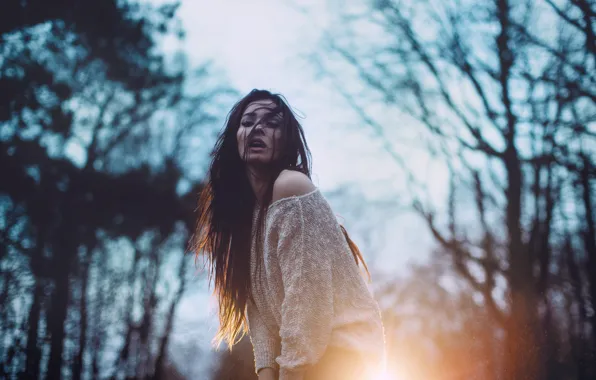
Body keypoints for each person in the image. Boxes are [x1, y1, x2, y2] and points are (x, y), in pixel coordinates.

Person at [192, 89, 385, 380]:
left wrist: (291, 373)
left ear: (286, 141)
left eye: (271, 122)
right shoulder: (246, 219)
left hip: (345, 353)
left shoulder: (291, 187)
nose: (258, 128)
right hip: (313, 355)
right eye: (248, 122)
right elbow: (259, 313)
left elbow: (306, 299)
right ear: (236, 137)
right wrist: (268, 373)